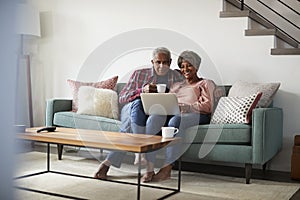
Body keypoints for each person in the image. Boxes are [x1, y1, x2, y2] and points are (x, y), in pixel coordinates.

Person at [94, 47, 184, 179]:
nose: (161, 66)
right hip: (132, 108)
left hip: (156, 112)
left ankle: (110, 164)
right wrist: (141, 90)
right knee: (137, 104)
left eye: (165, 62)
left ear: (170, 62)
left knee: (154, 119)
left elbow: (192, 82)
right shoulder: (140, 74)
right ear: (152, 62)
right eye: (158, 62)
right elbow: (122, 98)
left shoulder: (175, 76)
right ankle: (140, 155)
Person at [140, 50, 216, 183]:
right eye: (182, 66)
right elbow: (168, 99)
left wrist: (189, 107)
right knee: (153, 119)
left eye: (189, 65)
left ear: (197, 66)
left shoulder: (205, 83)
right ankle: (149, 167)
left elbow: (209, 106)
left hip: (198, 115)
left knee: (176, 120)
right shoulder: (176, 85)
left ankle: (166, 168)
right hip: (174, 112)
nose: (185, 69)